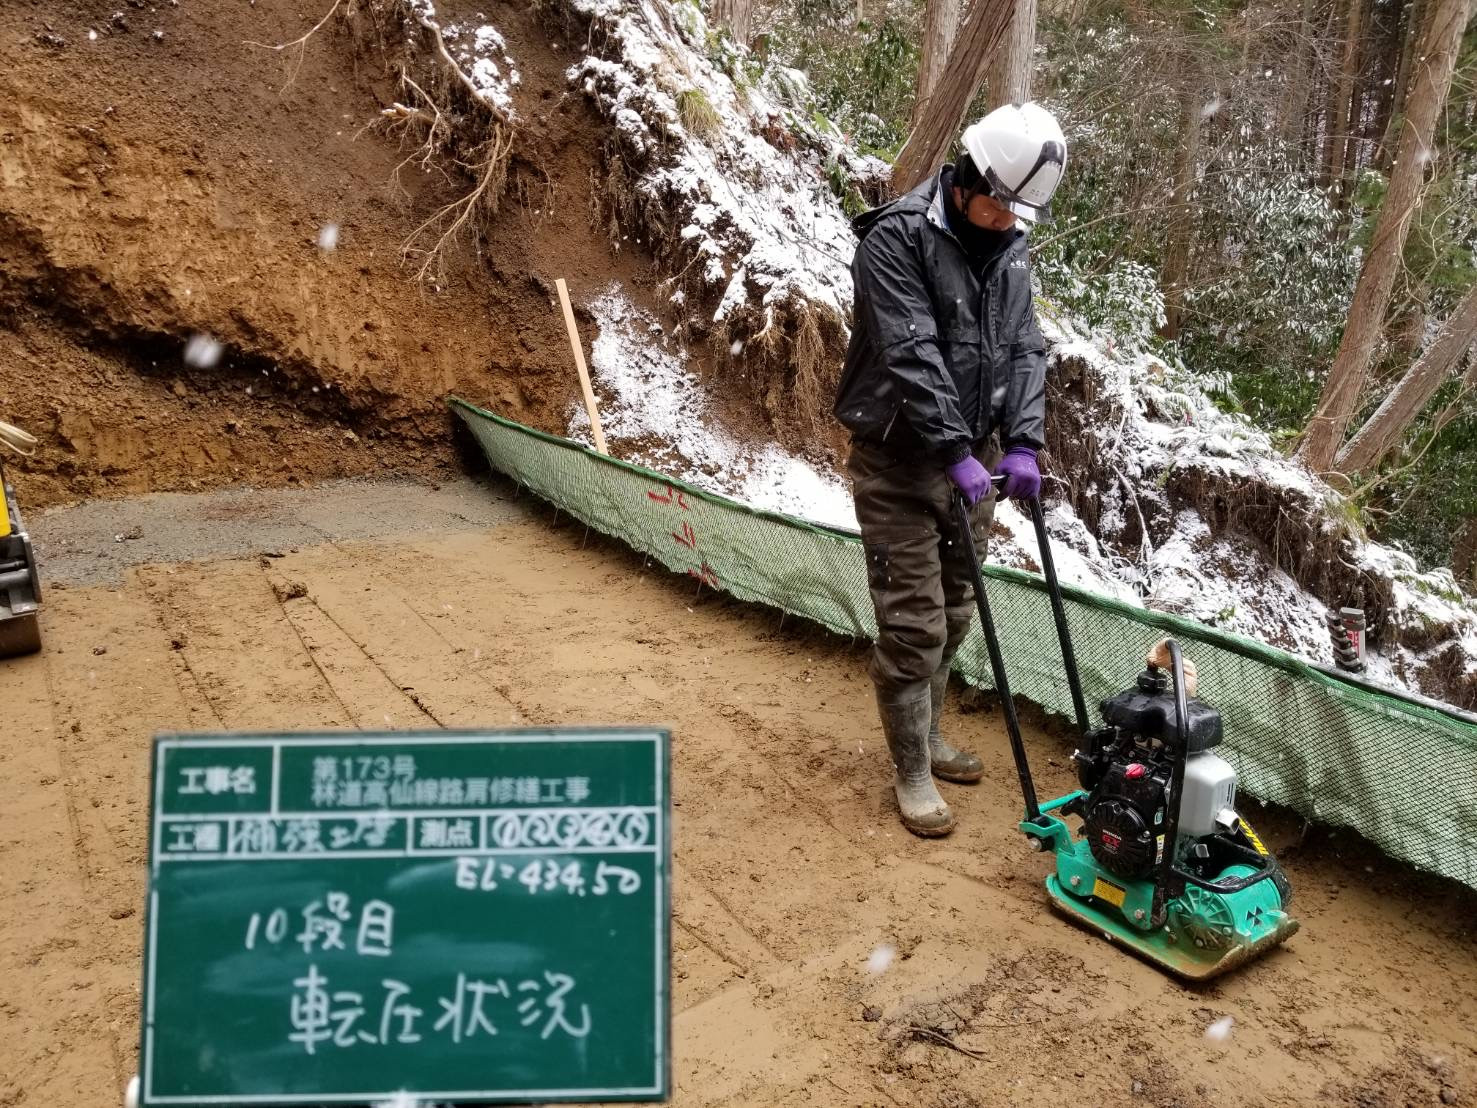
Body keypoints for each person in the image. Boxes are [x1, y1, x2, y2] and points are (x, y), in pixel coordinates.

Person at [833, 102, 1067, 837]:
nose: (1007, 222)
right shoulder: (894, 239)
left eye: (1018, 214)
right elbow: (911, 350)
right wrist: (952, 448)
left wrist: (1021, 441)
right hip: (901, 461)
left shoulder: (1010, 250)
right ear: (967, 180)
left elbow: (1024, 347)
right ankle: (908, 771)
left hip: (975, 465)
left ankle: (929, 737)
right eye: (1000, 206)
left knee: (959, 606)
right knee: (913, 625)